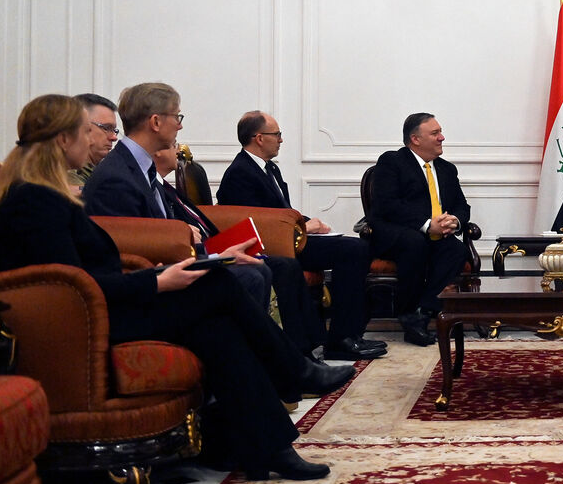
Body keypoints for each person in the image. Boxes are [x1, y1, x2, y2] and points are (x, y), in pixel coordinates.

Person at [0, 94, 355, 480]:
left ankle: (266, 447)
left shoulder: (41, 194)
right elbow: (67, 286)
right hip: (83, 324)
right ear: (63, 140)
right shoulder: (34, 201)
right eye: (86, 132)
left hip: (99, 307)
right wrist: (157, 281)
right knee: (215, 283)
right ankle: (294, 370)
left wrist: (161, 276)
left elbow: (81, 277)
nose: (97, 141)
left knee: (217, 329)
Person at [80, 83, 307, 356]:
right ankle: (281, 364)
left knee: (255, 269)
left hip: (173, 262)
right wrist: (206, 255)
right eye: (177, 117)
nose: (180, 126)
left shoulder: (139, 167)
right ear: (155, 121)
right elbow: (131, 248)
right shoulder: (116, 176)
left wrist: (215, 252)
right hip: (150, 283)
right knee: (249, 275)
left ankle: (282, 363)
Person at [152, 139, 339, 363]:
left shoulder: (165, 187)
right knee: (271, 268)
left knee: (285, 265)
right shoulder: (239, 172)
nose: (178, 148)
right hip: (194, 254)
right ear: (157, 153)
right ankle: (294, 356)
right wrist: (183, 232)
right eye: (172, 145)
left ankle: (306, 350)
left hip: (212, 244)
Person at [216, 111, 382, 361]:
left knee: (353, 247)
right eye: (277, 134)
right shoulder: (240, 173)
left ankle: (347, 335)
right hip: (272, 247)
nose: (281, 140)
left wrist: (305, 223)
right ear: (259, 138)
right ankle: (341, 340)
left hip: (287, 239)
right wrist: (304, 228)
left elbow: (279, 212)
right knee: (353, 250)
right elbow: (256, 222)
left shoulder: (267, 168)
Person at [365, 112, 471, 346]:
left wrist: (454, 220)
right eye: (435, 133)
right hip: (396, 232)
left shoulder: (446, 169)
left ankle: (421, 313)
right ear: (415, 139)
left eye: (440, 132)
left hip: (434, 234)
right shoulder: (392, 162)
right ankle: (407, 312)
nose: (442, 137)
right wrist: (427, 223)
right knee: (415, 242)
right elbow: (388, 205)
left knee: (455, 250)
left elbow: (462, 206)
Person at [68, 93, 119, 187]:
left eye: (114, 130)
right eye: (106, 128)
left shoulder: (106, 172)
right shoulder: (66, 175)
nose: (114, 137)